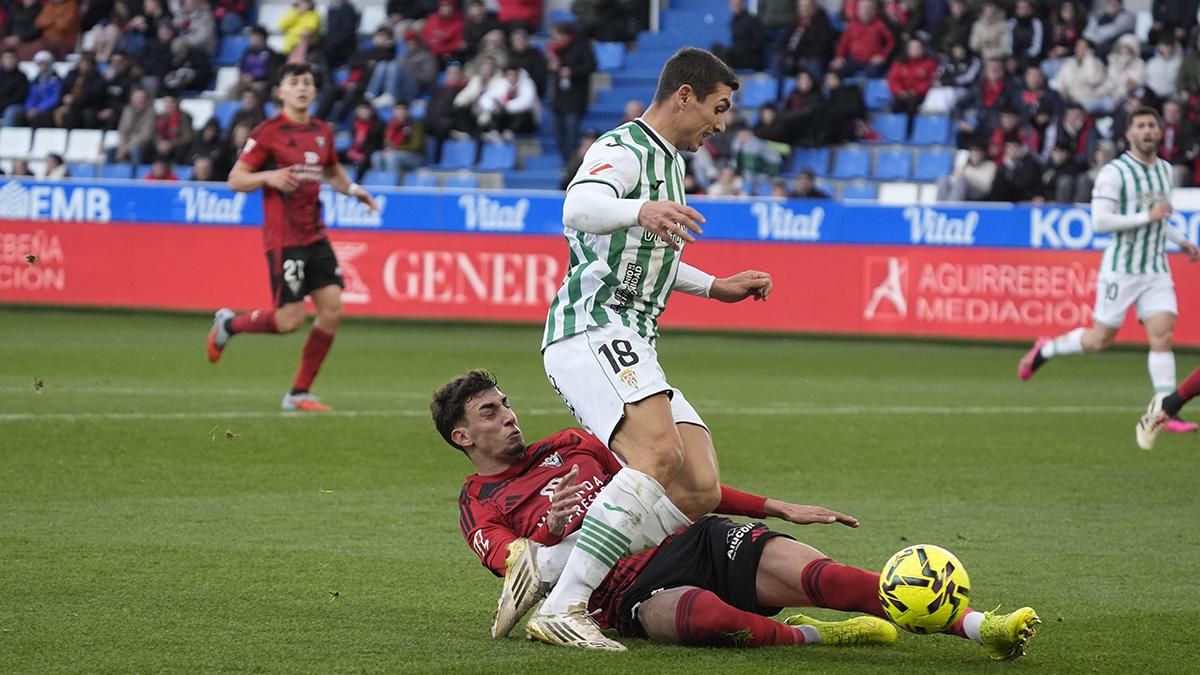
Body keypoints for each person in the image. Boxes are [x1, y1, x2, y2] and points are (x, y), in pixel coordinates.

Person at [433, 369, 1041, 659]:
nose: (509, 416)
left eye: (506, 404)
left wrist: (775, 505)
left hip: (687, 540)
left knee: (816, 572)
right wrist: (550, 528)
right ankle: (815, 635)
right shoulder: (478, 503)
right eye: (490, 413)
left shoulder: (573, 443)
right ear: (463, 436)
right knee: (704, 618)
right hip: (622, 596)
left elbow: (671, 487)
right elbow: (518, 568)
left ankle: (981, 626)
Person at [528, 47, 782, 651]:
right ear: (684, 95)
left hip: (630, 334)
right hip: (591, 327)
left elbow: (649, 258)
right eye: (718, 108)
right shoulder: (625, 148)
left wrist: (713, 286)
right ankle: (565, 606)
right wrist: (638, 206)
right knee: (659, 455)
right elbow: (577, 206)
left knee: (697, 485)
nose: (721, 123)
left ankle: (543, 568)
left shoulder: (670, 161)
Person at [206, 63, 380, 412]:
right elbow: (236, 179)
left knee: (332, 310)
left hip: (315, 234)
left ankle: (299, 392)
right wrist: (268, 177)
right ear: (280, 91)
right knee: (289, 320)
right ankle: (229, 323)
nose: (302, 88)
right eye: (294, 82)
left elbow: (332, 170)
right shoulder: (269, 132)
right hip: (284, 239)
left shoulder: (322, 132)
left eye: (307, 83)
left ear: (314, 92)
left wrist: (354, 189)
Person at [1019, 107, 1200, 433]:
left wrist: (1181, 240)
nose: (1147, 131)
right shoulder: (1114, 173)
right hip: (1121, 269)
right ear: (1129, 134)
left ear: (1160, 132)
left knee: (1162, 335)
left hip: (1155, 267)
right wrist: (1149, 218)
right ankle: (1046, 349)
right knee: (1099, 340)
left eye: (1152, 126)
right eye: (1141, 126)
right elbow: (1100, 222)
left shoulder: (1165, 170)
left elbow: (1159, 218)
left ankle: (1164, 410)